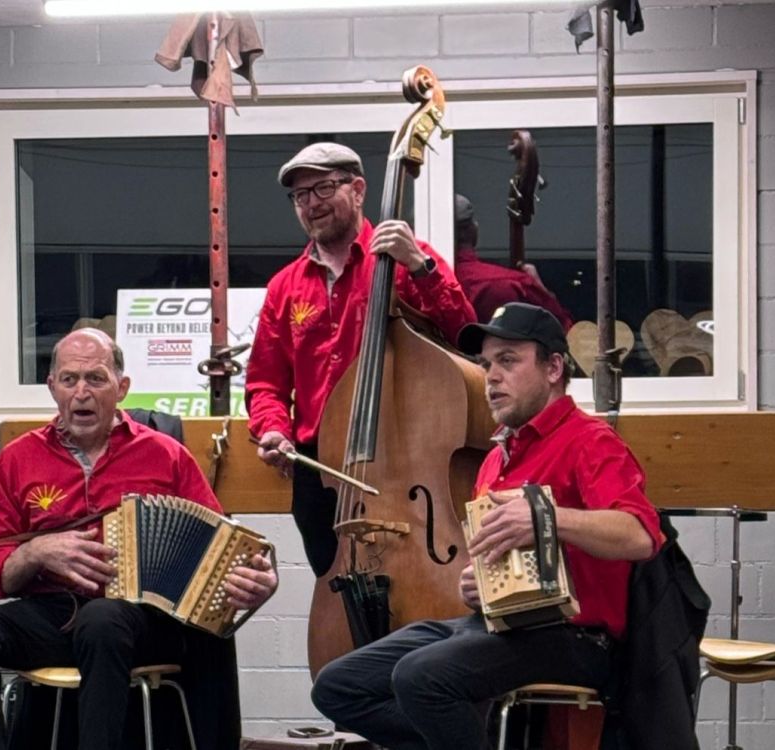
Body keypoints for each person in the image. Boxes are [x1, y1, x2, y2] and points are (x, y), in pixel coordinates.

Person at [310, 302, 664, 750]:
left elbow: (640, 535)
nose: (491, 377)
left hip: (576, 637)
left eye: (508, 361)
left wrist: (546, 516)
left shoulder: (591, 441)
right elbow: (495, 562)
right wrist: (475, 583)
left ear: (554, 368)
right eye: (486, 364)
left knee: (421, 677)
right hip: (498, 625)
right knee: (337, 684)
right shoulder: (496, 457)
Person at [0, 328, 277, 750]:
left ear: (121, 388)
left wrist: (258, 580)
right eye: (69, 379)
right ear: (52, 387)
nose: (81, 392)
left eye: (96, 379)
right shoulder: (17, 460)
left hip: (141, 621)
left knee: (102, 619)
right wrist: (34, 552)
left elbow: (221, 548)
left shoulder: (166, 454)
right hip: (54, 615)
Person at [246, 142, 477, 577]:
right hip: (320, 472)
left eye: (323, 188)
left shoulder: (406, 259)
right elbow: (265, 383)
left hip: (404, 460)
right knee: (335, 590)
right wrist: (274, 429)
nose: (311, 204)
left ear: (358, 190)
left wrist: (420, 266)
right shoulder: (284, 286)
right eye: (300, 195)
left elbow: (464, 334)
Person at [452, 193, 574, 330]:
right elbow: (562, 330)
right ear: (473, 230)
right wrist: (541, 290)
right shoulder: (512, 283)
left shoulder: (434, 285)